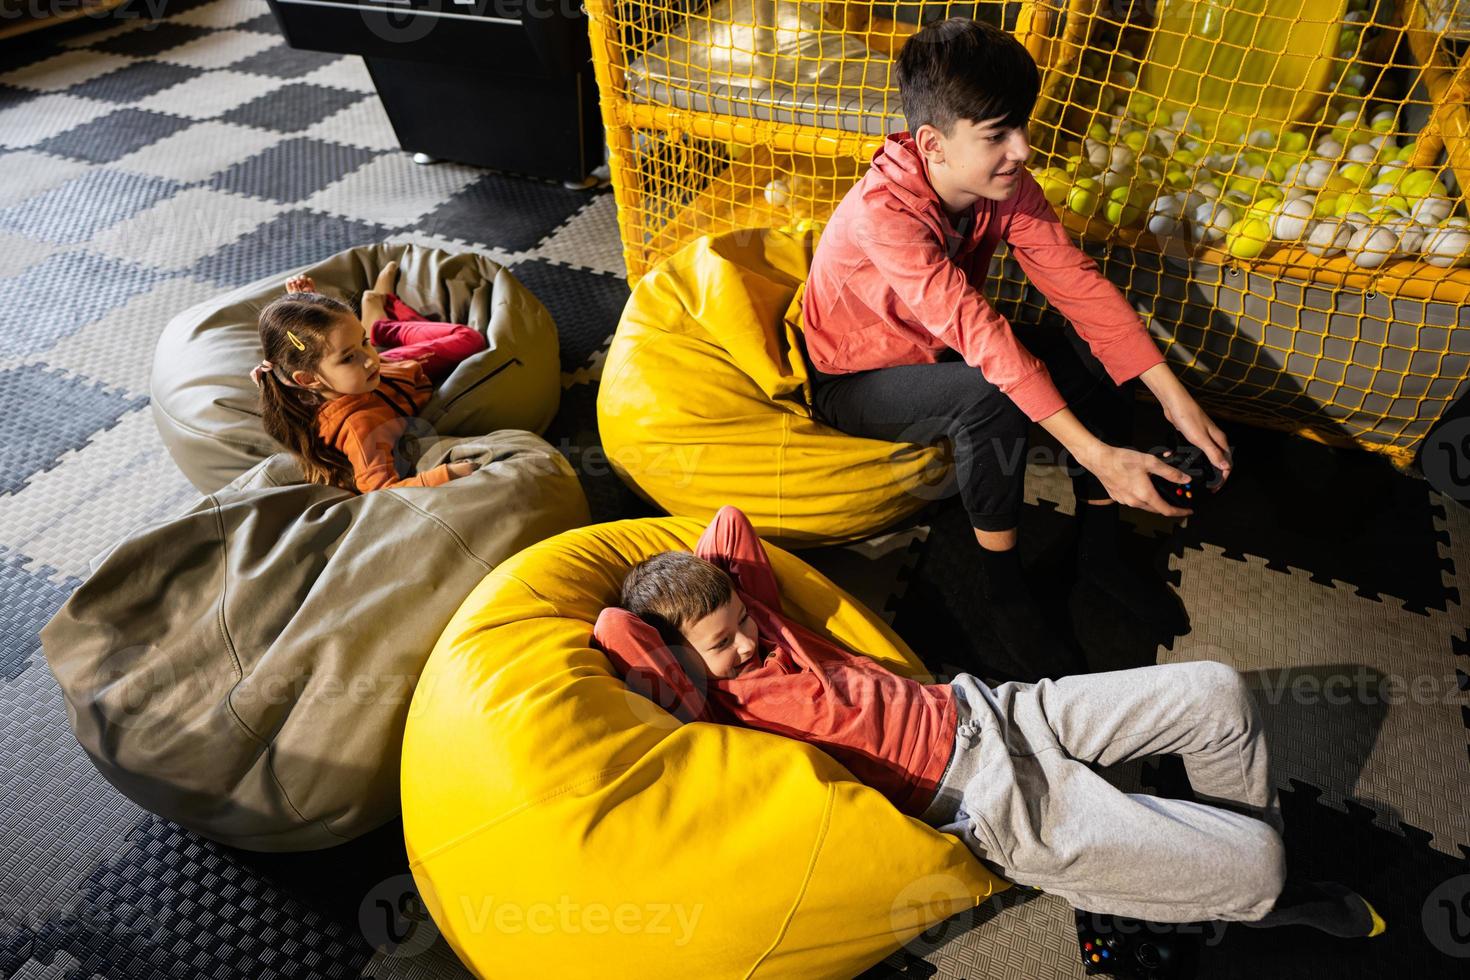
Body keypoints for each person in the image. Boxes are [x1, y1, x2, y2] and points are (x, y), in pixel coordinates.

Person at [595, 505, 1385, 938]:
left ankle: (1203, 852)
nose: (748, 639)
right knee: (1264, 868)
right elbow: (620, 636)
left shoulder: (757, 614)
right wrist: (674, 640)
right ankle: (1248, 884)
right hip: (983, 801)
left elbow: (727, 524)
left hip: (990, 707)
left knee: (1216, 691)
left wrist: (706, 599)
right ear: (681, 660)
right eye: (722, 641)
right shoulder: (717, 705)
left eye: (742, 618)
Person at [800, 17, 1233, 667]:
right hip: (857, 379)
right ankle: (1003, 592)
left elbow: (1078, 285)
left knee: (1089, 350)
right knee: (989, 395)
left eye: (1021, 126)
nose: (1024, 149)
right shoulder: (882, 214)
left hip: (939, 348)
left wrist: (1173, 396)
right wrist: (1099, 452)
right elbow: (978, 331)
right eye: (998, 135)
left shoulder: (1001, 184)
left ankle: (1098, 548)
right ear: (933, 144)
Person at [252, 260, 487, 493]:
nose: (367, 358)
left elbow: (328, 354)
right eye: (347, 358)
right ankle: (377, 322)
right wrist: (447, 474)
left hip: (392, 364)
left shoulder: (358, 370)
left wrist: (308, 302)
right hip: (403, 371)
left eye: (363, 342)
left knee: (468, 339)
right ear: (308, 380)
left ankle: (377, 327)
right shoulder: (360, 427)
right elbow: (381, 490)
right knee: (468, 339)